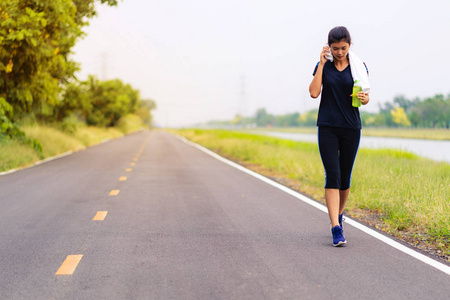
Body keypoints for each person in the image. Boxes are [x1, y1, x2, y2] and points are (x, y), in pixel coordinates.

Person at [309, 26, 370, 247]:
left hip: (351, 127)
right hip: (328, 127)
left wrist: (364, 98)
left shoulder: (359, 67)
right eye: (335, 49)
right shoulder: (323, 65)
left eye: (343, 48)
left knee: (345, 178)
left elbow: (365, 99)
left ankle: (340, 215)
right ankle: (335, 226)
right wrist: (322, 64)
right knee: (332, 175)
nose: (340, 52)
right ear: (329, 47)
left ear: (349, 46)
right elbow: (314, 92)